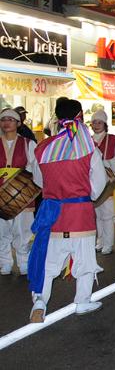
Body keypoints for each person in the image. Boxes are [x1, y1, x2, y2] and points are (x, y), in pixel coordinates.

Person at [28, 99, 107, 322]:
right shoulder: (88, 146)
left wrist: (55, 192)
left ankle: (41, 301)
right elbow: (98, 182)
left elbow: (38, 180)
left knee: (50, 262)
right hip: (80, 213)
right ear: (80, 115)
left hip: (53, 213)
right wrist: (86, 196)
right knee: (84, 260)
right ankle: (82, 301)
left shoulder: (43, 148)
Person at [0, 108, 38, 275]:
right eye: (3, 119)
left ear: (18, 123)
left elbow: (35, 167)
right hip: (1, 194)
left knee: (23, 230)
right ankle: (5, 262)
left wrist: (20, 180)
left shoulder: (29, 144)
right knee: (2, 231)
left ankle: (24, 262)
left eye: (10, 119)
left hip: (23, 193)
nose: (6, 122)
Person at [90, 110, 115, 255]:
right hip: (93, 183)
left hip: (108, 182)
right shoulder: (88, 140)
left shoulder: (113, 139)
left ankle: (108, 243)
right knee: (97, 214)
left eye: (99, 122)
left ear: (105, 124)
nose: (96, 125)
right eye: (94, 122)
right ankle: (100, 241)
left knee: (107, 214)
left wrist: (104, 163)